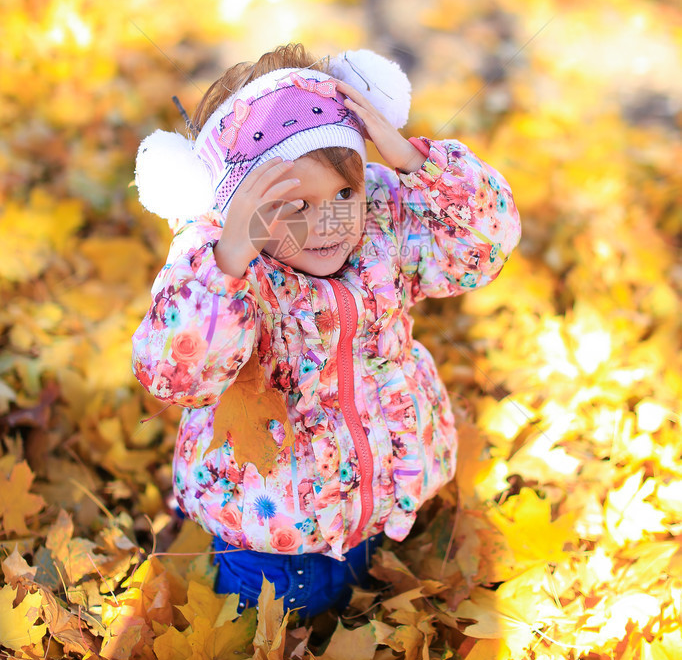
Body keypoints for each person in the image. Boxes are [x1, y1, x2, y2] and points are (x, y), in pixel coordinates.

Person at [131, 42, 521, 619]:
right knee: (262, 651)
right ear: (239, 208)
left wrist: (414, 163)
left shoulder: (382, 228)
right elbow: (176, 373)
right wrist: (229, 261)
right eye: (294, 206)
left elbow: (483, 245)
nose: (327, 224)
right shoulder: (224, 269)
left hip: (372, 505)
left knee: (355, 626)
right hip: (267, 527)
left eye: (344, 193)